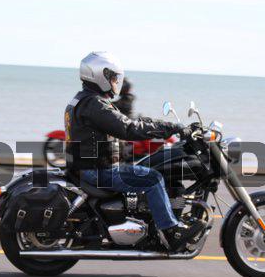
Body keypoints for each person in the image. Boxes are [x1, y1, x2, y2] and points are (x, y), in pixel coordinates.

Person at [64, 51, 196, 252]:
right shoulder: (94, 104)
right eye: (113, 77)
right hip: (97, 171)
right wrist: (172, 128)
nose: (115, 82)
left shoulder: (83, 100)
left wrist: (163, 125)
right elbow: (129, 128)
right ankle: (171, 232)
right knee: (153, 179)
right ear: (100, 75)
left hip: (86, 167)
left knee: (144, 169)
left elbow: (126, 121)